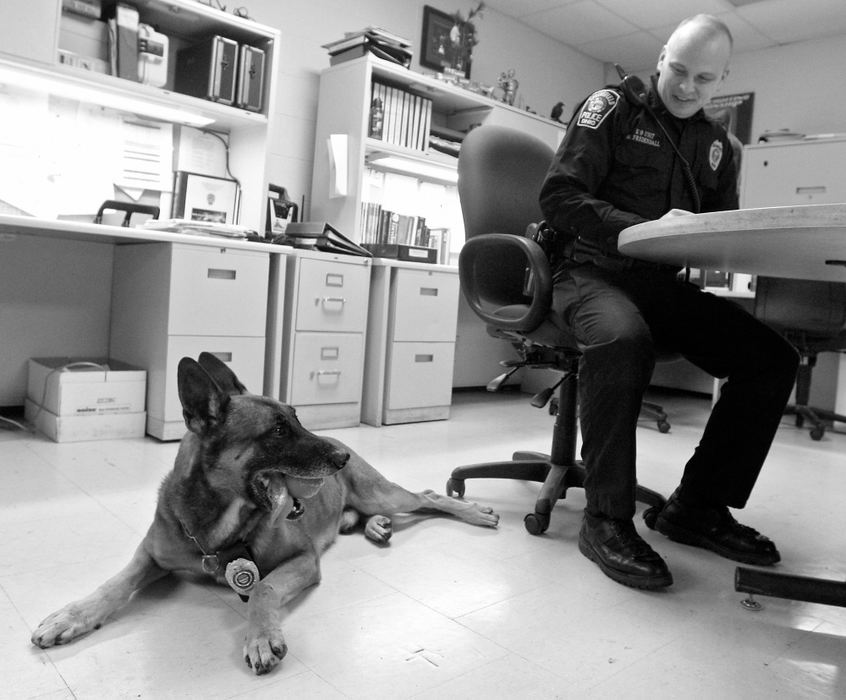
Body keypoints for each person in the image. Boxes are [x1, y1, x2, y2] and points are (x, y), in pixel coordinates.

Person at [538, 14, 799, 589]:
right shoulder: (610, 108)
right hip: (587, 269)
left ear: (721, 79)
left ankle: (697, 506)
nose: (686, 87)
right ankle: (605, 518)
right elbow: (558, 196)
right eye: (678, 70)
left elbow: (714, 228)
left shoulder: (715, 144)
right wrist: (644, 226)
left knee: (770, 357)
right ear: (661, 57)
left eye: (704, 79)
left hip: (657, 284)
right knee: (622, 338)